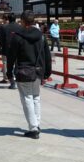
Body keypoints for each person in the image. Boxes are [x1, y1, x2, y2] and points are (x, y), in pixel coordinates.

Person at [6, 11, 52, 139]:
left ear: (22, 21)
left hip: (24, 71)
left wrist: (9, 72)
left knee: (27, 98)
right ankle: (37, 123)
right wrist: (47, 72)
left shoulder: (17, 36)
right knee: (36, 97)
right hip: (38, 71)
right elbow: (47, 56)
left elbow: (11, 57)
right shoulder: (41, 36)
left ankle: (33, 128)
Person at [0, 13, 22, 88]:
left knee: (9, 65)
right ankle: (17, 80)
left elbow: (1, 39)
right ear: (15, 19)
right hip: (18, 48)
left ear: (8, 19)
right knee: (17, 64)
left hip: (8, 49)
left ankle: (12, 82)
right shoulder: (20, 27)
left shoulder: (5, 27)